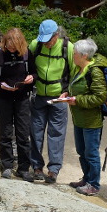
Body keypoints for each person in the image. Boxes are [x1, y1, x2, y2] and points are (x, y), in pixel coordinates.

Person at [59, 39, 107, 196]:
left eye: (75, 54)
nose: (73, 56)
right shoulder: (80, 69)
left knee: (91, 153)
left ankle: (93, 184)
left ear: (84, 55)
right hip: (79, 119)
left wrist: (77, 100)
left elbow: (100, 97)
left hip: (91, 121)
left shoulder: (94, 72)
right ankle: (86, 179)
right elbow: (77, 89)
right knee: (81, 150)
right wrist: (68, 94)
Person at [28, 19, 75, 184]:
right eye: (44, 39)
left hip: (58, 99)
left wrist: (69, 91)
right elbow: (27, 63)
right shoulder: (36, 45)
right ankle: (36, 167)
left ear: (57, 35)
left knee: (56, 134)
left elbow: (76, 71)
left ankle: (53, 170)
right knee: (35, 132)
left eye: (49, 39)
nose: (46, 42)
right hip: (39, 95)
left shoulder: (67, 48)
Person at [0, 28, 36, 180]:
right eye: (9, 44)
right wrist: (0, 85)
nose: (11, 48)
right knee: (5, 133)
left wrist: (31, 78)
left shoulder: (27, 54)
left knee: (23, 134)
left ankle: (23, 168)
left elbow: (35, 73)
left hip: (22, 99)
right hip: (3, 98)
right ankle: (7, 166)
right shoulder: (0, 55)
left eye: (14, 45)